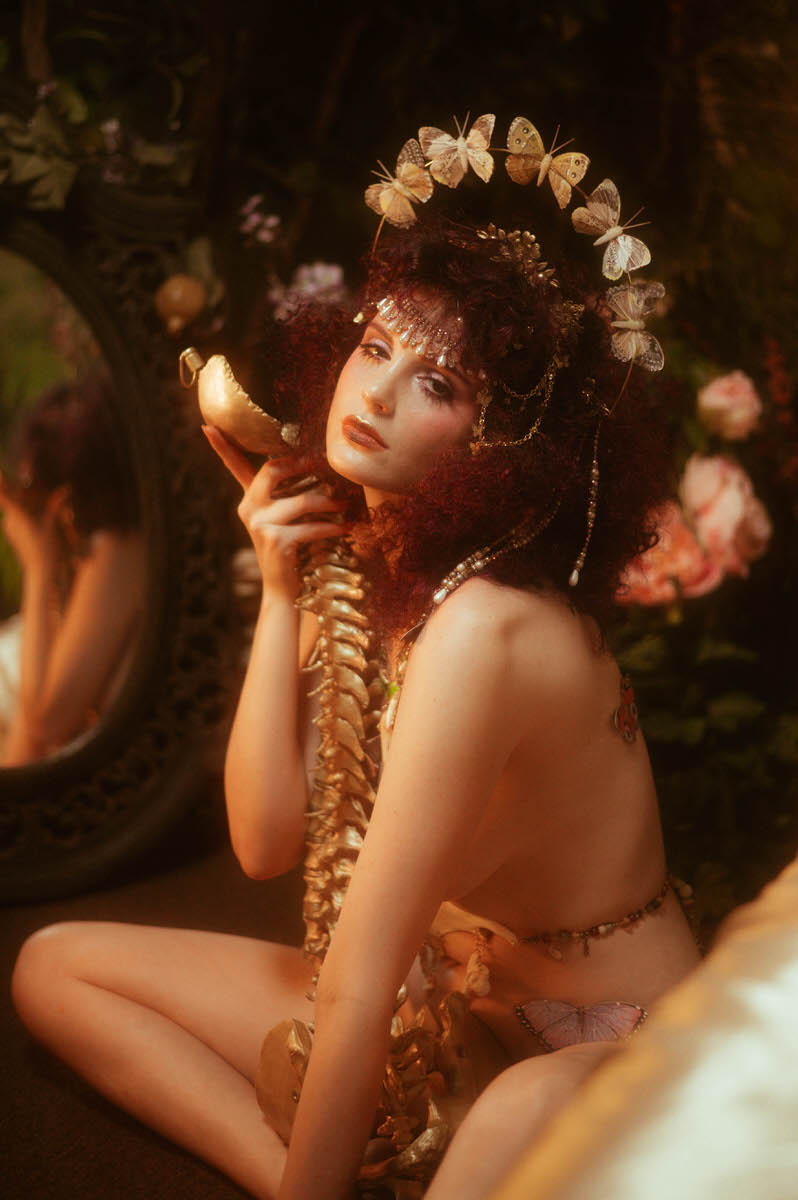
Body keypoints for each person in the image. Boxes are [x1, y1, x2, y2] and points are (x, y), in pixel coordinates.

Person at [11, 113, 700, 1200]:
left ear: (501, 449)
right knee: (54, 967)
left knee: (517, 1105)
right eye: (377, 346)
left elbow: (363, 971)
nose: (374, 393)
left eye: (440, 385)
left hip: (625, 1057)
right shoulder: (390, 575)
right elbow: (266, 844)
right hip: (454, 1022)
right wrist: (280, 593)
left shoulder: (489, 624)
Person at [0, 370, 145, 763]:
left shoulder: (119, 546)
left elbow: (46, 721)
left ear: (64, 497)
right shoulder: (110, 548)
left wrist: (38, 567)